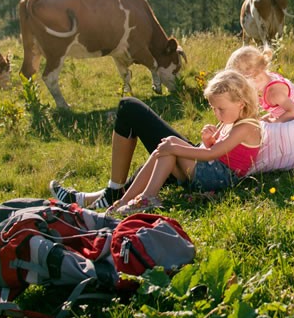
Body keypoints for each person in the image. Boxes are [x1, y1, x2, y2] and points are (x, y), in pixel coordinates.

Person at [52, 70, 263, 213]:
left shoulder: (247, 126)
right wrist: (207, 141)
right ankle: (123, 202)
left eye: (221, 109)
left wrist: (185, 148)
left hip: (217, 178)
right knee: (168, 146)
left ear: (241, 104)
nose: (217, 114)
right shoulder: (230, 120)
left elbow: (212, 156)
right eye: (213, 109)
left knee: (170, 145)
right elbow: (215, 150)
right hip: (211, 173)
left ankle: (146, 197)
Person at [226, 45, 294, 122]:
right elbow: (279, 111)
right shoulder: (268, 79)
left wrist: (273, 124)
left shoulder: (273, 92)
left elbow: (293, 113)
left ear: (252, 76)